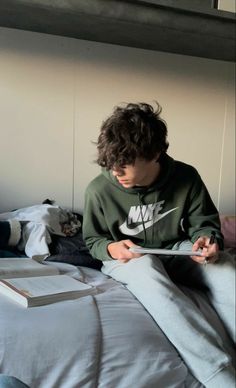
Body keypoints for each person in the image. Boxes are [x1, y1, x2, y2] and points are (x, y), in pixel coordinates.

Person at [83, 102, 235, 387]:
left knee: (227, 268)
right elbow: (93, 239)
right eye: (110, 161)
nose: (116, 170)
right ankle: (220, 375)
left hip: (176, 249)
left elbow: (204, 222)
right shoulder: (98, 189)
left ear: (155, 154)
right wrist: (110, 248)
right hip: (128, 257)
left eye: (125, 161)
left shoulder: (186, 176)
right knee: (150, 272)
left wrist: (207, 240)